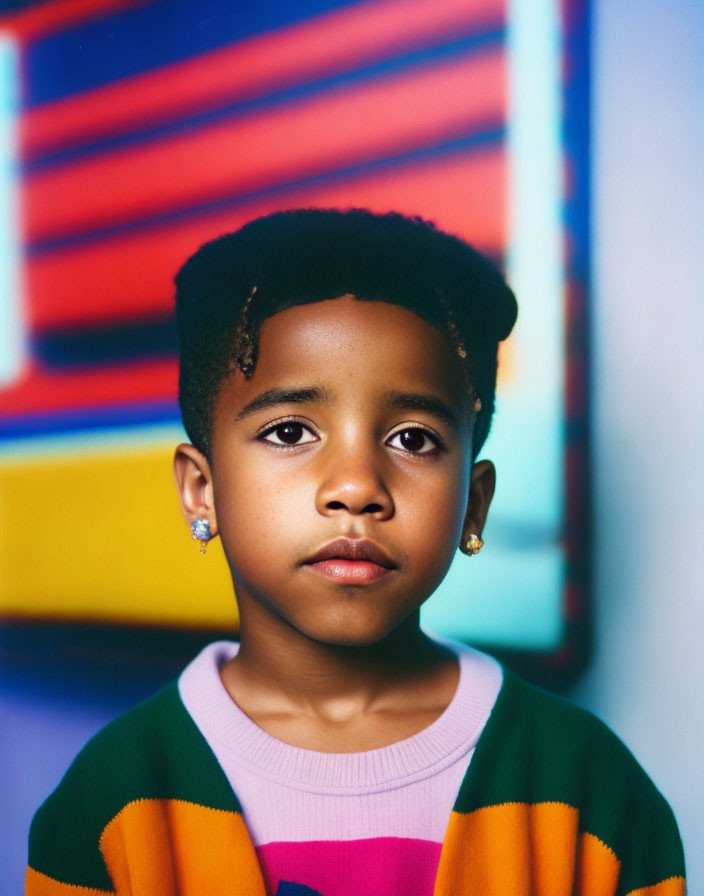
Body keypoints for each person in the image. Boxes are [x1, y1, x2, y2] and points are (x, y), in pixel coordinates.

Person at [26, 209, 685, 896]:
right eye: (289, 432)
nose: (356, 487)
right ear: (202, 490)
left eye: (413, 440)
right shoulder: (112, 801)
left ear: (474, 502)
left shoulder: (590, 793)